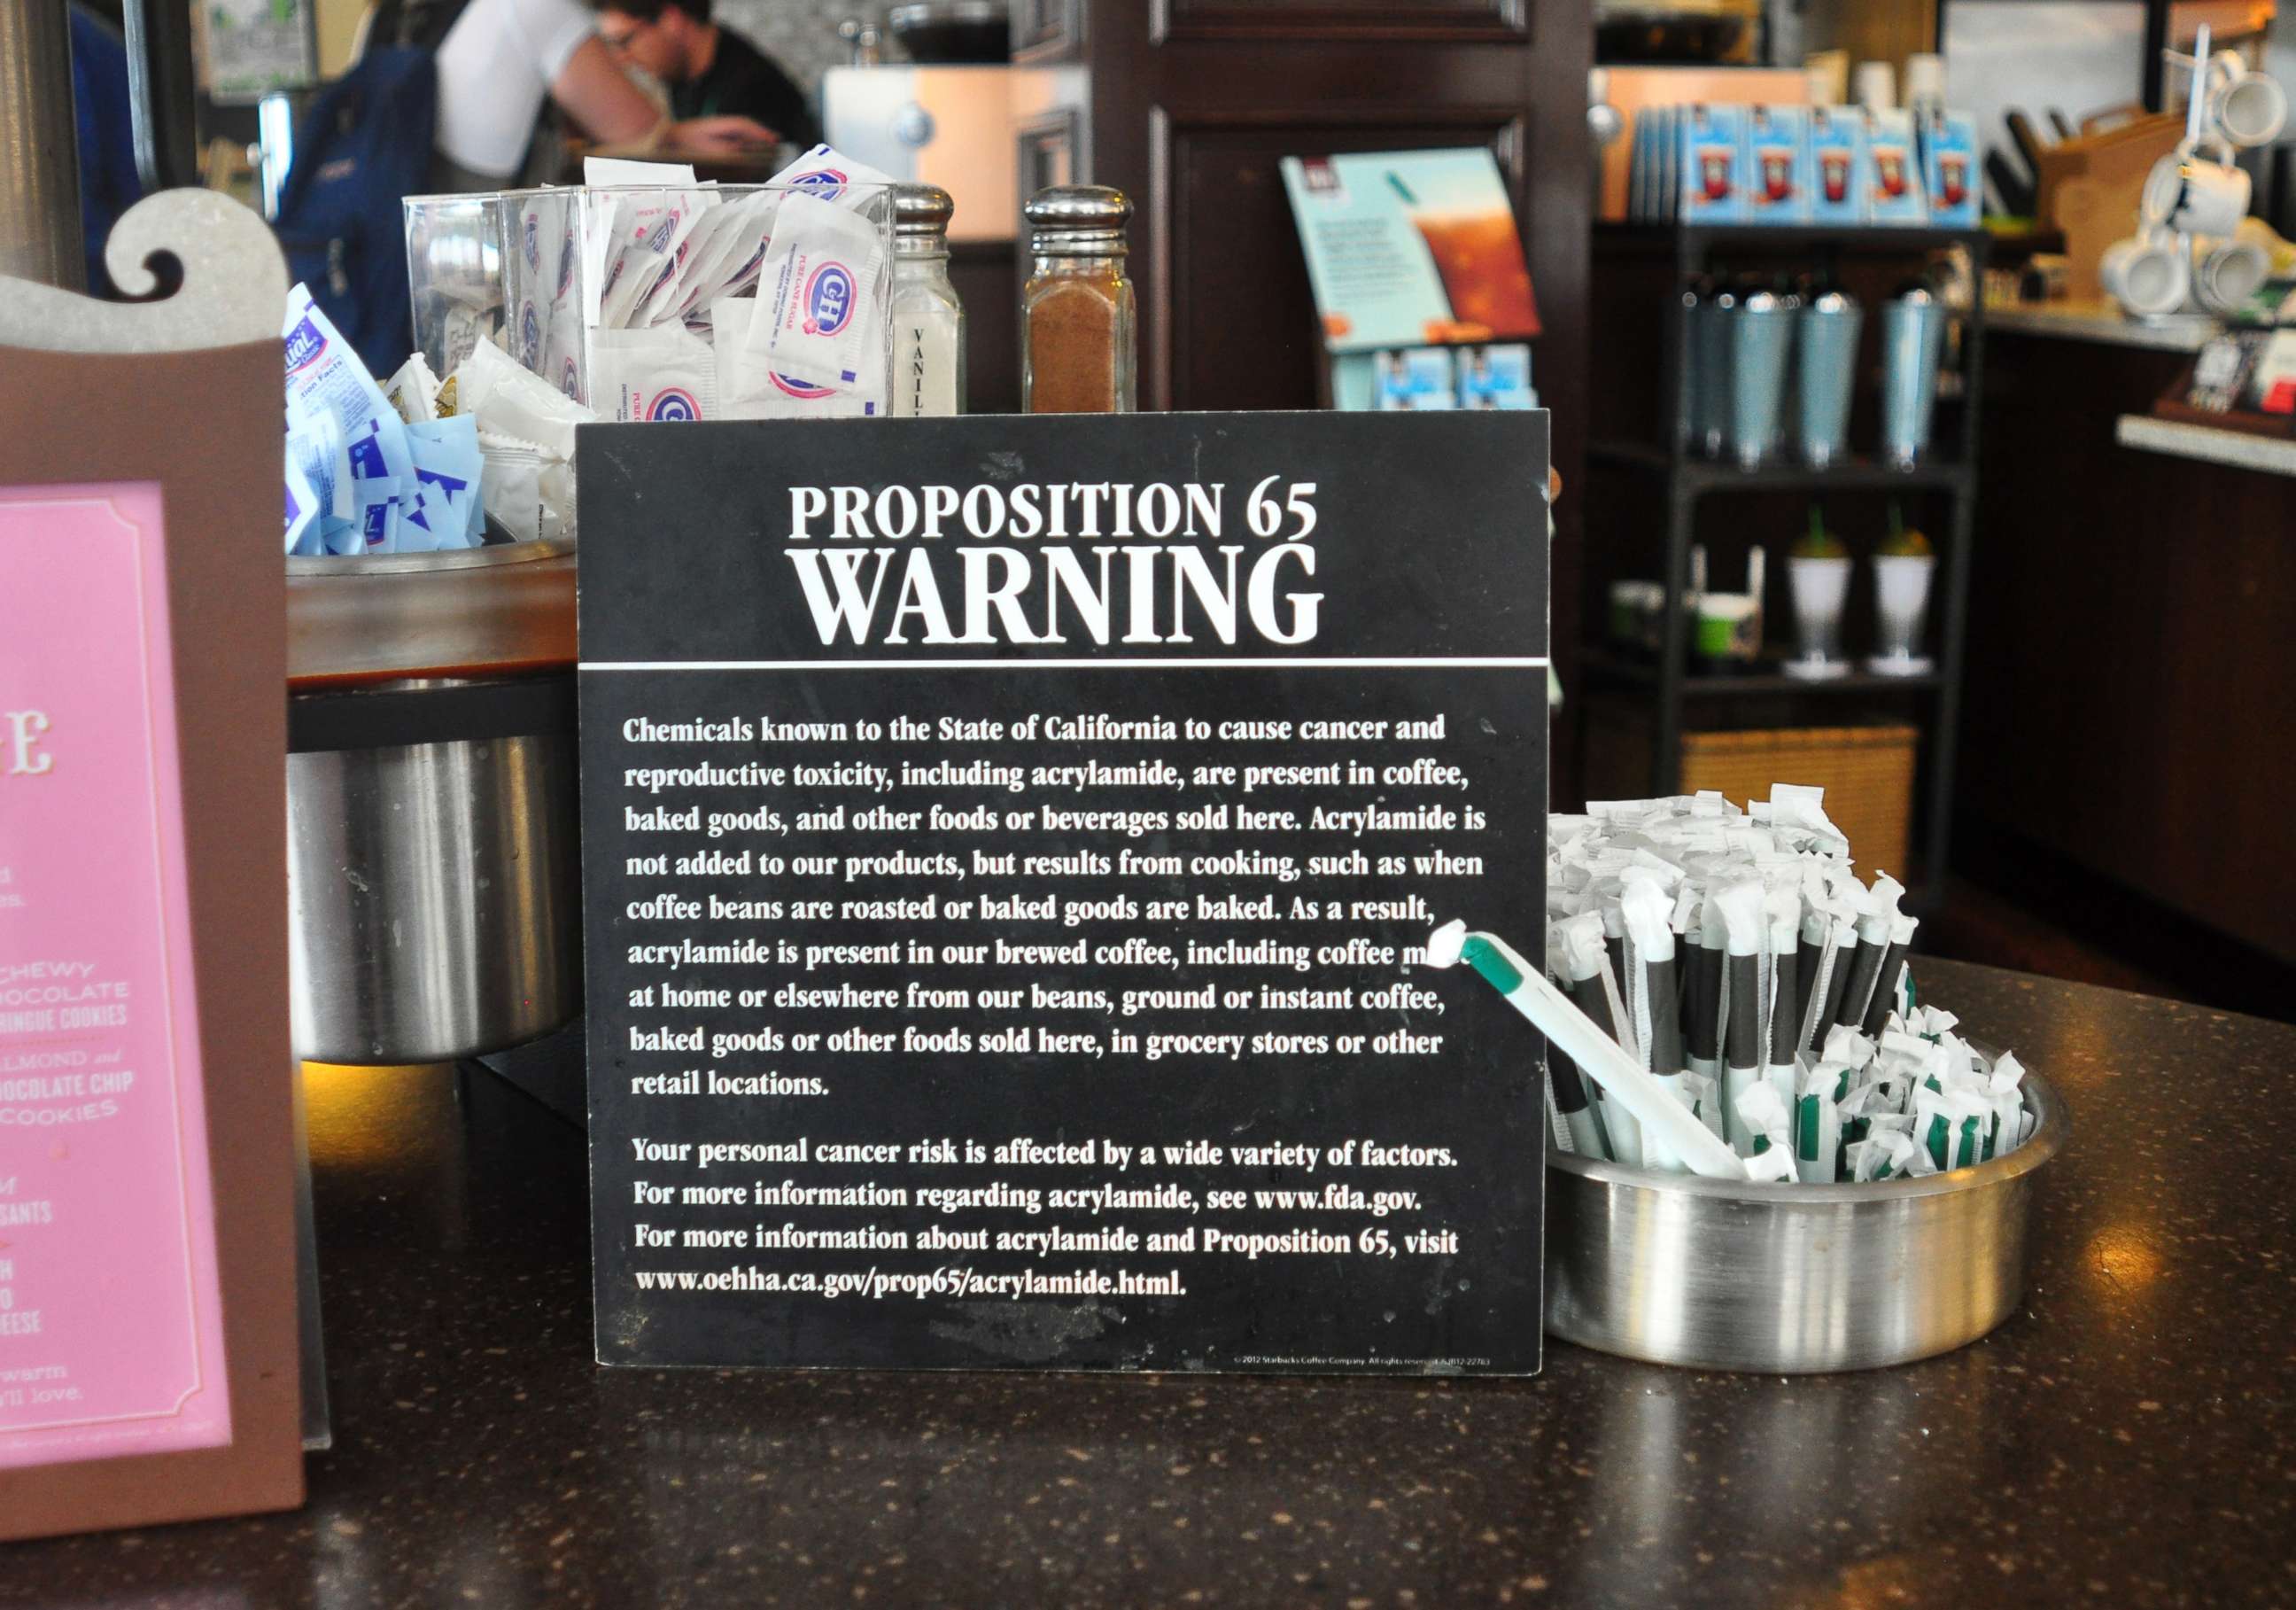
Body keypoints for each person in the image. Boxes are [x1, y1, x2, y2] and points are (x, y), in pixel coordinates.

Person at [431, 0, 773, 185]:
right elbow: (639, 131)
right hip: (471, 212)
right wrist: (678, 136)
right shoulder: (540, 8)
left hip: (423, 204)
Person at [593, 0, 818, 149]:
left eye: (624, 41)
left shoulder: (752, 86)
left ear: (673, 19)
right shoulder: (680, 74)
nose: (621, 58)